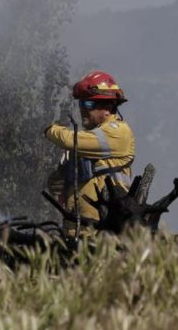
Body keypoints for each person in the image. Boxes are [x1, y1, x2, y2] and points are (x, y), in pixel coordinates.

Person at [44, 70, 135, 232]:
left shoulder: (118, 132)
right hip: (77, 230)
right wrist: (60, 179)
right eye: (81, 103)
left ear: (108, 107)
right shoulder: (90, 141)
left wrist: (50, 129)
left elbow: (67, 139)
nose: (83, 109)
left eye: (89, 104)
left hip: (105, 232)